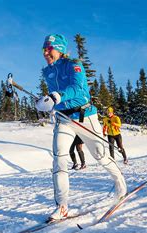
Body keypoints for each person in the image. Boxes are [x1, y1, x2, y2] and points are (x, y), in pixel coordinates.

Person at [34, 34, 127, 221]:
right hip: (64, 120)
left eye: (49, 48)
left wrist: (56, 96)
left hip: (85, 117)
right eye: (44, 49)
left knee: (101, 155)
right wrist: (47, 103)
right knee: (59, 158)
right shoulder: (47, 72)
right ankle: (62, 206)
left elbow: (79, 89)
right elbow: (54, 96)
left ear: (59, 49)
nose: (45, 52)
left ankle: (120, 183)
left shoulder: (74, 65)